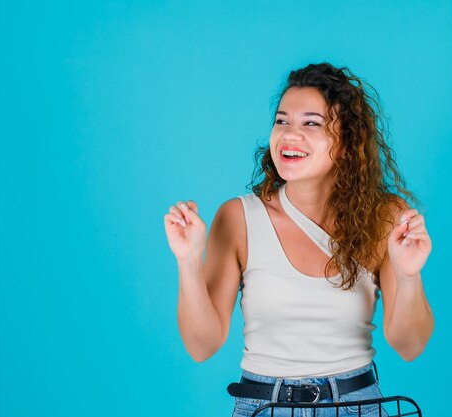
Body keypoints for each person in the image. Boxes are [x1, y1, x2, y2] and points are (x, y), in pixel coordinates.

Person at [164, 62, 434, 417]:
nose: (290, 133)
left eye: (311, 123)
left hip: (358, 405)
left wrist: (409, 274)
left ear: (348, 144)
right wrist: (187, 261)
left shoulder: (383, 216)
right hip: (265, 405)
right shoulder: (238, 218)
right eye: (282, 121)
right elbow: (201, 346)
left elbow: (410, 345)